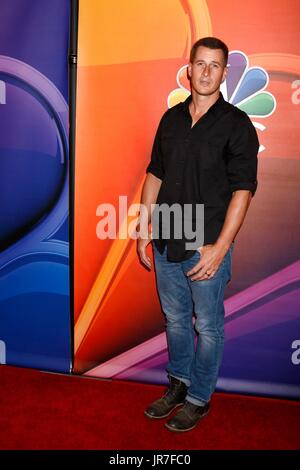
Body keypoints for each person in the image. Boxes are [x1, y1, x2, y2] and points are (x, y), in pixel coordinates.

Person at [137, 37, 259, 433]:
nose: (206, 72)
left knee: (207, 326)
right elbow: (155, 173)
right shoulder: (170, 119)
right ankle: (179, 382)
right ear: (188, 69)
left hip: (207, 243)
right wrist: (143, 227)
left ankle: (199, 397)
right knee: (174, 318)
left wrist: (220, 249)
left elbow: (243, 189)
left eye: (215, 65)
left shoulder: (237, 125)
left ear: (225, 72)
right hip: (168, 236)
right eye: (200, 64)